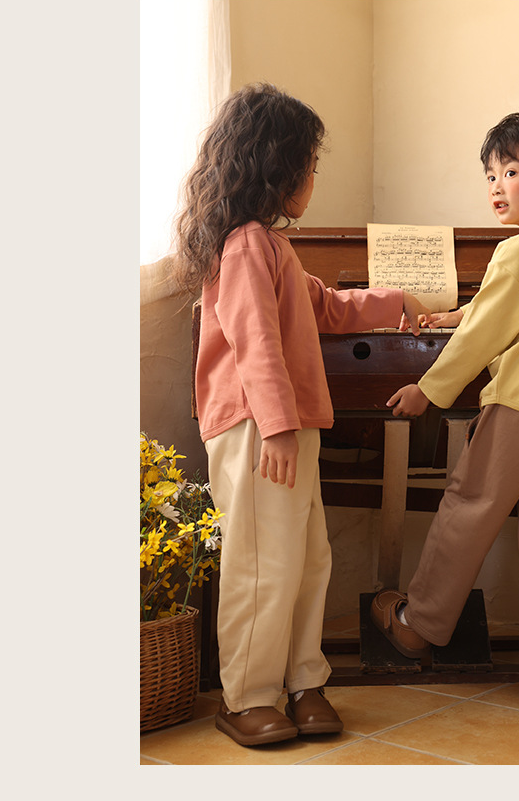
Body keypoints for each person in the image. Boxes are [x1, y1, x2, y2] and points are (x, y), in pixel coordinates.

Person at [173, 83, 429, 746]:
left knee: (307, 558)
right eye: (310, 167)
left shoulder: (270, 247)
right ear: (277, 167)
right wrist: (279, 426)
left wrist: (398, 300)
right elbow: (254, 340)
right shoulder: (244, 246)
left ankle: (302, 680)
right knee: (264, 563)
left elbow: (326, 307)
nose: (313, 179)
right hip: (259, 427)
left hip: (287, 427)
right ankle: (248, 695)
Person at [370, 107, 519, 721]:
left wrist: (429, 389)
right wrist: (459, 313)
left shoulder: (516, 253)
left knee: (468, 511)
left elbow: (483, 336)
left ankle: (419, 625)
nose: (496, 187)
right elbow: (515, 309)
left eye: (511, 172)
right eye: (491, 175)